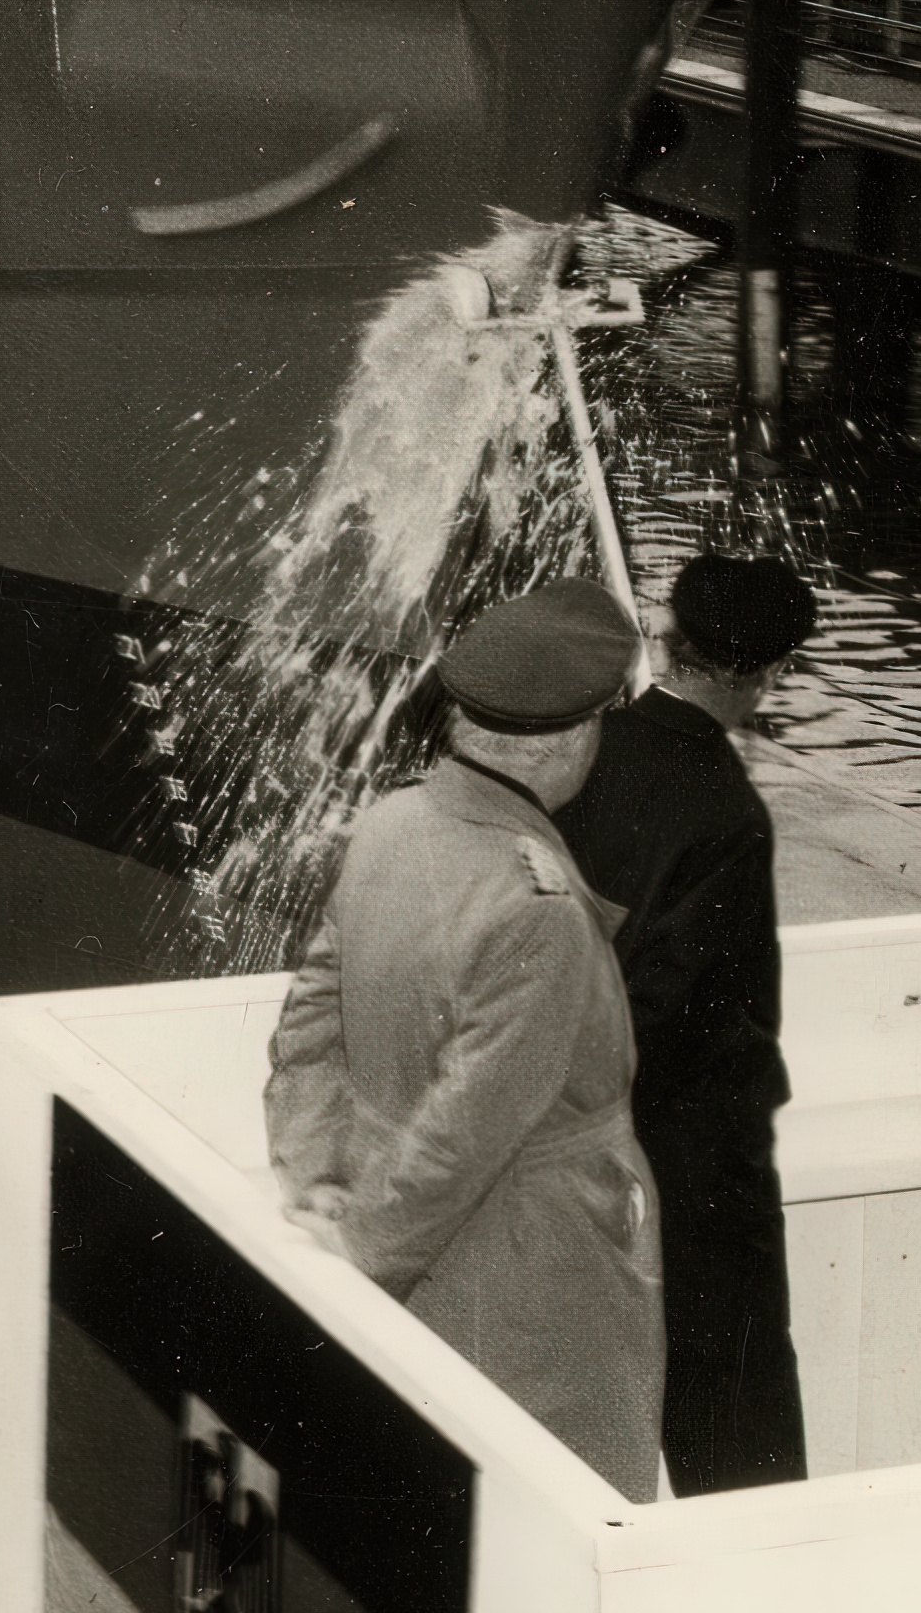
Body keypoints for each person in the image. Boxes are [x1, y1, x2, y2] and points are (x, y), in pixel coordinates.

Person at [263, 578, 665, 1502]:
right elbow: (467, 1129)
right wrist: (366, 1247)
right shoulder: (538, 907)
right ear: (573, 736)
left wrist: (316, 1177)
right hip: (533, 1271)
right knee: (574, 1501)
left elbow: (308, 1027)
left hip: (386, 1204)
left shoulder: (390, 825)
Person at [555, 552, 815, 1492]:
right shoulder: (728, 811)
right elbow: (674, 1007)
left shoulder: (586, 748)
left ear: (671, 639)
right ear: (766, 672)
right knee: (739, 1427)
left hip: (576, 1147)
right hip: (700, 1166)